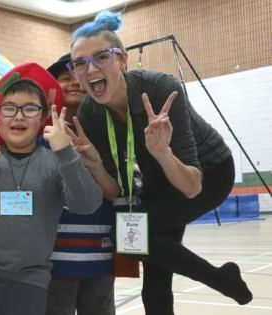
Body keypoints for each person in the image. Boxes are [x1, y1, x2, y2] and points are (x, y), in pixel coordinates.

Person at [70, 11, 252, 313]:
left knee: (129, 234)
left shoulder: (159, 89)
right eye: (79, 63)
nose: (90, 70)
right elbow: (115, 191)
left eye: (101, 57)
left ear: (123, 60)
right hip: (159, 182)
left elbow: (193, 187)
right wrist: (94, 165)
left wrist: (162, 152)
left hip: (209, 172)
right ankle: (224, 278)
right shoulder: (90, 112)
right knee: (154, 287)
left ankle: (222, 280)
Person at [0, 63, 103, 315]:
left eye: (29, 109)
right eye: (9, 108)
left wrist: (65, 152)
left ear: (43, 117)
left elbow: (87, 204)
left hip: (29, 277)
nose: (18, 116)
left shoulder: (56, 162)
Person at [45, 54, 118, 315]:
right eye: (64, 78)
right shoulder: (38, 140)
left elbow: (120, 190)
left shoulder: (109, 135)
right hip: (52, 262)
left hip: (100, 258)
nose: (74, 82)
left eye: (79, 77)